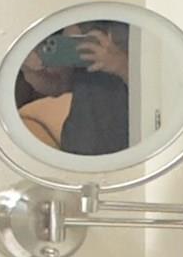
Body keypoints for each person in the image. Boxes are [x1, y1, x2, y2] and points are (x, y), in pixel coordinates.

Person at [14, 20, 132, 157]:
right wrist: (30, 70)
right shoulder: (78, 22)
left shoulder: (146, 16)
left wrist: (122, 65)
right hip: (79, 145)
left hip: (131, 142)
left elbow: (158, 92)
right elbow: (59, 85)